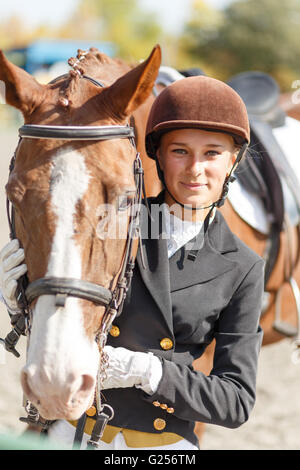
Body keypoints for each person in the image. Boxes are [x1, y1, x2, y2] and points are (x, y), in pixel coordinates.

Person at [0, 76, 264, 450]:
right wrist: (23, 301)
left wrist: (147, 371)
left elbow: (235, 402)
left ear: (232, 160)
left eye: (212, 153)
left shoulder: (244, 267)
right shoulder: (108, 223)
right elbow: (67, 320)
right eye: (180, 151)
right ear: (157, 156)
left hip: (164, 445)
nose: (195, 169)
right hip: (74, 431)